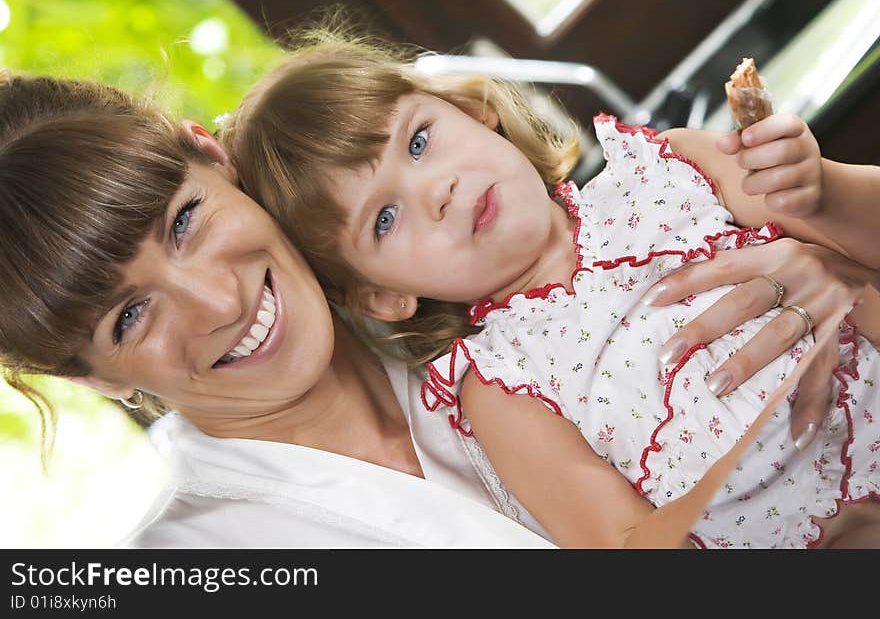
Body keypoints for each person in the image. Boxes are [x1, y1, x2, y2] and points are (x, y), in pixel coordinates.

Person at [0, 73, 873, 549]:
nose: (219, 300)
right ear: (79, 375)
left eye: (184, 223)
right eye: (128, 319)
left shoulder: (494, 274)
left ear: (210, 152)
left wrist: (835, 264)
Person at [224, 31, 880, 548]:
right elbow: (620, 544)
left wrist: (821, 193)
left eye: (419, 141)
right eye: (385, 218)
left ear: (474, 110)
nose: (436, 191)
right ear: (382, 296)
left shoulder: (671, 168)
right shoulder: (502, 386)